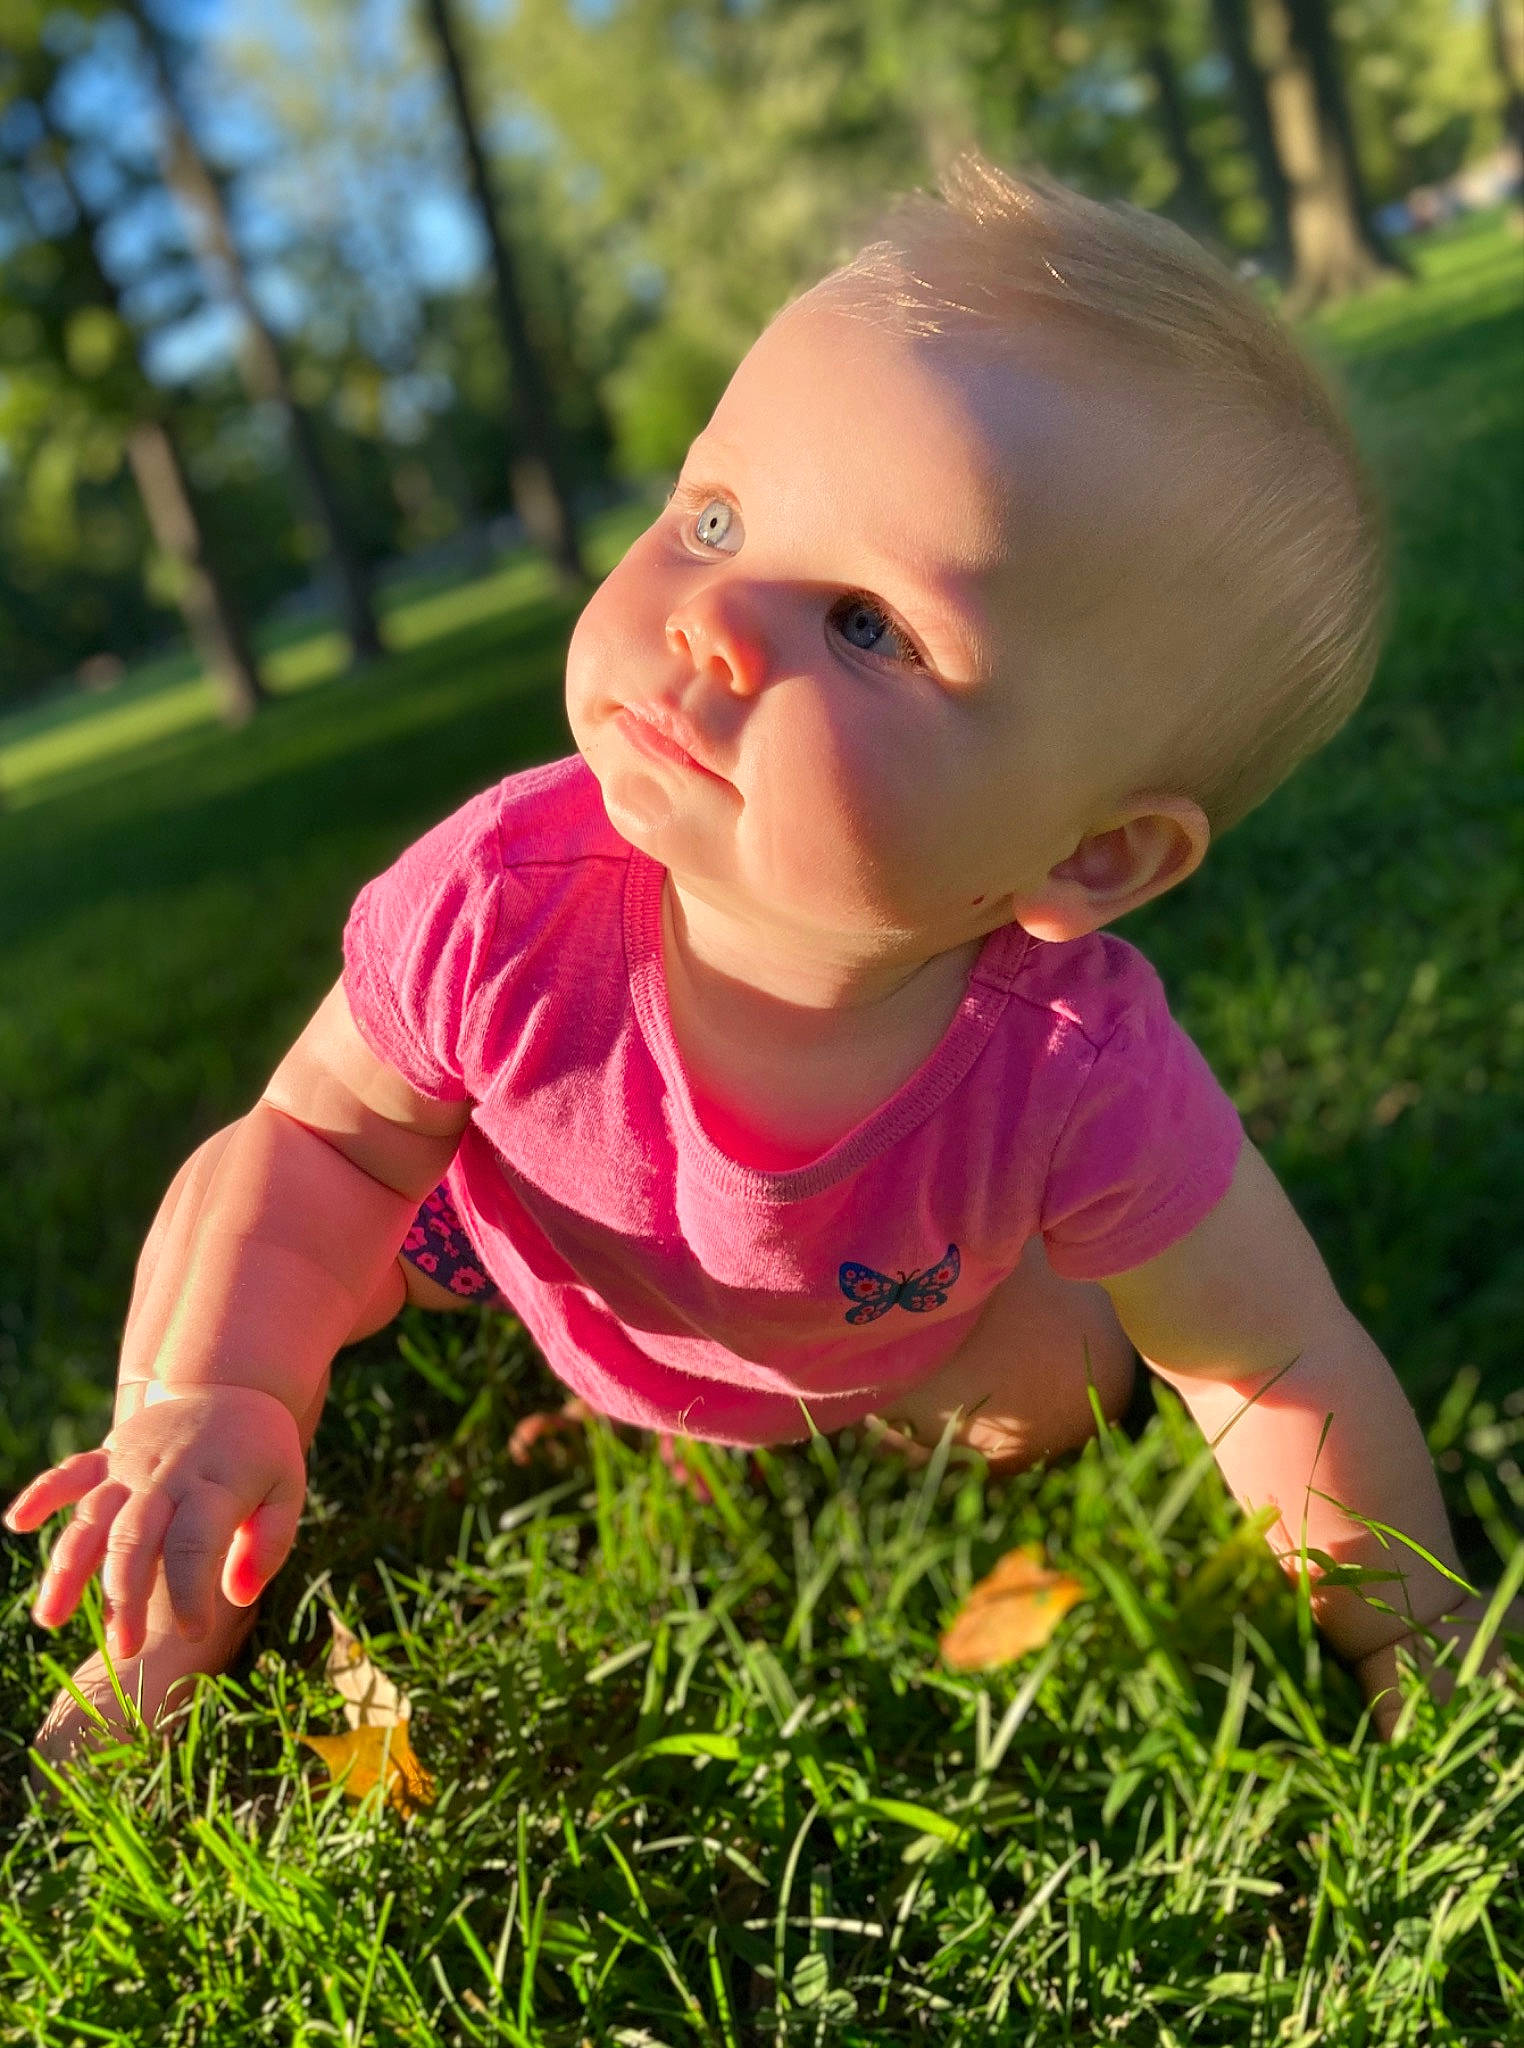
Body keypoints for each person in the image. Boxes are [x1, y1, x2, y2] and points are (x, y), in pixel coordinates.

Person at [6, 154, 1512, 1763]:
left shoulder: (1073, 1072)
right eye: (713, 515)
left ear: (1090, 856)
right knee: (284, 1240)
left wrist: (1424, 1655)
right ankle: (179, 1573)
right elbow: (314, 1141)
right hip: (566, 1261)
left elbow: (1273, 1357)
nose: (711, 618)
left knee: (1059, 1388)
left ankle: (765, 1417)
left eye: (868, 623)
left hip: (889, 1333)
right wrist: (220, 1388)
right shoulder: (503, 905)